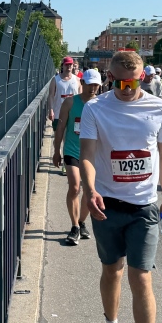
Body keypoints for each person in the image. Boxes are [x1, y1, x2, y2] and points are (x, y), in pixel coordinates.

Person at [79, 51, 162, 323]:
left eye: (132, 83)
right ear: (110, 77)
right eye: (120, 83)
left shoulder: (160, 108)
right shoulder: (95, 108)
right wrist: (90, 190)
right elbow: (87, 154)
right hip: (106, 204)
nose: (126, 88)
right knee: (112, 270)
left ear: (142, 78)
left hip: (143, 207)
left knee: (141, 277)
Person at [54, 69, 102, 245]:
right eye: (90, 84)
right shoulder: (70, 102)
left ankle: (81, 222)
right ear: (82, 83)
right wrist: (56, 151)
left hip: (92, 154)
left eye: (96, 85)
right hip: (72, 150)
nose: (93, 88)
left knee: (89, 190)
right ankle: (74, 226)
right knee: (74, 187)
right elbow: (60, 127)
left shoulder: (101, 104)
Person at [48, 57, 82, 175]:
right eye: (66, 65)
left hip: (73, 115)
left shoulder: (77, 80)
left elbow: (81, 97)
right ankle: (64, 160)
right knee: (61, 138)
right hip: (58, 114)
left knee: (69, 139)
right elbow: (51, 96)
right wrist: (51, 110)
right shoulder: (56, 80)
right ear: (62, 66)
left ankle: (66, 164)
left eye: (70, 65)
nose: (69, 67)